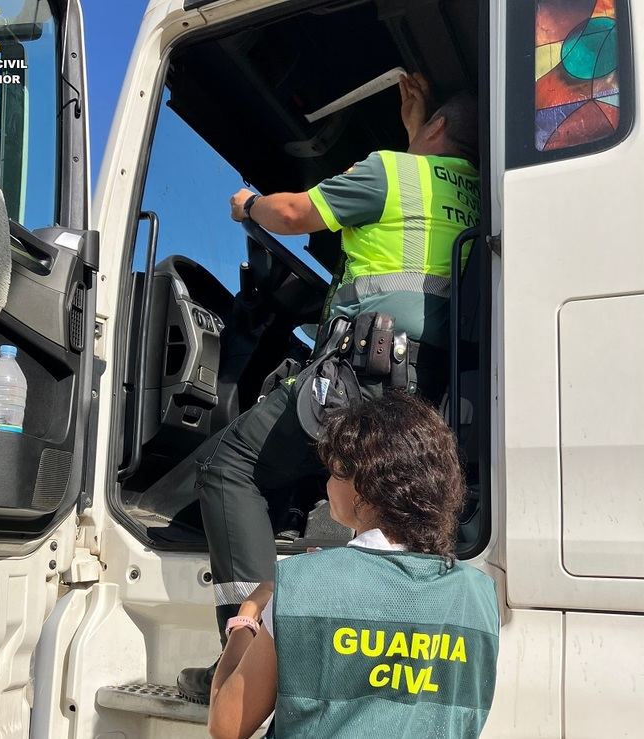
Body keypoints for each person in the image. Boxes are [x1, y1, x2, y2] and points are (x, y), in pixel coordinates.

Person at [177, 74, 481, 703]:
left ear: (438, 129)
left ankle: (247, 661)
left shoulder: (389, 173)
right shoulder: (481, 197)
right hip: (431, 394)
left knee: (228, 470)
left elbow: (291, 214)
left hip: (363, 381)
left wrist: (245, 205)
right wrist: (417, 131)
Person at [207, 392, 499, 739]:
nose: (327, 484)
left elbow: (226, 725)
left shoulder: (302, 584)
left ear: (364, 485)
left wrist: (245, 619)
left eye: (335, 472)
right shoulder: (478, 596)